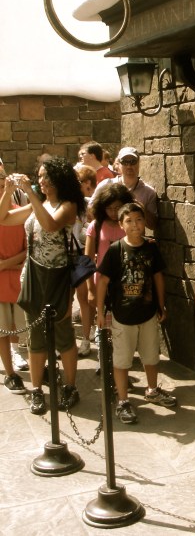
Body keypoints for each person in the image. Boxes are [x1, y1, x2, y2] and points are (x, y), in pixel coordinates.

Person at [0, 156, 86, 415]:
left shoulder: (68, 205)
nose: (41, 181)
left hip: (58, 277)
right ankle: (37, 390)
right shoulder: (39, 204)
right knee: (35, 337)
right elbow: (3, 218)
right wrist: (8, 191)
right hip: (33, 276)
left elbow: (49, 225)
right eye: (39, 177)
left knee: (63, 334)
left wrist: (30, 193)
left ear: (59, 178)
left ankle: (70, 387)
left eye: (45, 177)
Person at [96, 202, 177, 424]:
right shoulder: (115, 250)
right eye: (129, 221)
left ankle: (152, 389)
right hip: (123, 315)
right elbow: (103, 281)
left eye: (139, 219)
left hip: (148, 313)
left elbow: (158, 277)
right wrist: (100, 311)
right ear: (121, 225)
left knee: (151, 356)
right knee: (122, 360)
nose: (135, 225)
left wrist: (161, 305)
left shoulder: (151, 248)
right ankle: (123, 400)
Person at [85, 182, 135, 365]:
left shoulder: (130, 224)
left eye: (118, 208)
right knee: (103, 325)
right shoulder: (96, 226)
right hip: (102, 285)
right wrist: (90, 289)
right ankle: (105, 363)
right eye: (110, 208)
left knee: (124, 326)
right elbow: (88, 260)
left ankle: (122, 363)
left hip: (126, 284)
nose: (114, 212)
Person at [0, 166, 28, 393]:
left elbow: (29, 249)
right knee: (2, 329)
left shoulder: (21, 213)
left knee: (22, 326)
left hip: (18, 277)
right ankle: (9, 373)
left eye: (3, 186)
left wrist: (5, 264)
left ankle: (19, 355)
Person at [91, 147, 158, 230]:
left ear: (139, 163)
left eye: (133, 161)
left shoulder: (148, 192)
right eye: (124, 162)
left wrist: (141, 209)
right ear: (118, 164)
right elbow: (90, 211)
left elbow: (153, 225)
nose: (129, 166)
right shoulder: (105, 185)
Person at [73, 164, 97, 356]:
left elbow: (94, 223)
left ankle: (86, 339)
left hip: (80, 253)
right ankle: (67, 341)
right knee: (65, 300)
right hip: (63, 254)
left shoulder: (85, 203)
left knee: (83, 298)